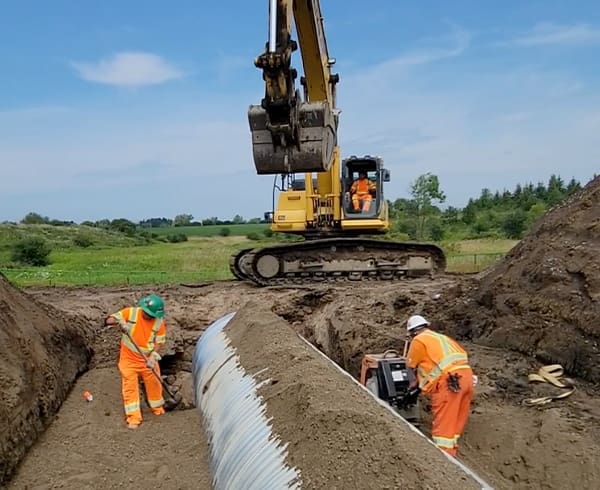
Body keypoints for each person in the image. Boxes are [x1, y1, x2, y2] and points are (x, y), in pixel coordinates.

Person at [405, 314, 474, 457]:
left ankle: (443, 460)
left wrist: (412, 385)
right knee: (454, 425)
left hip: (449, 384)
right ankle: (452, 453)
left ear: (412, 332)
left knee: (443, 430)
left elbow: (410, 367)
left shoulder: (418, 340)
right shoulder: (441, 338)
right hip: (467, 378)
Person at [104, 293, 167, 429]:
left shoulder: (159, 322)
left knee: (154, 384)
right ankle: (134, 418)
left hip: (147, 360)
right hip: (129, 359)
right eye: (146, 313)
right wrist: (120, 322)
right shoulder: (131, 313)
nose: (147, 316)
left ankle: (158, 410)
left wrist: (153, 356)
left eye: (151, 315)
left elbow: (160, 341)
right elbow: (108, 320)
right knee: (130, 387)